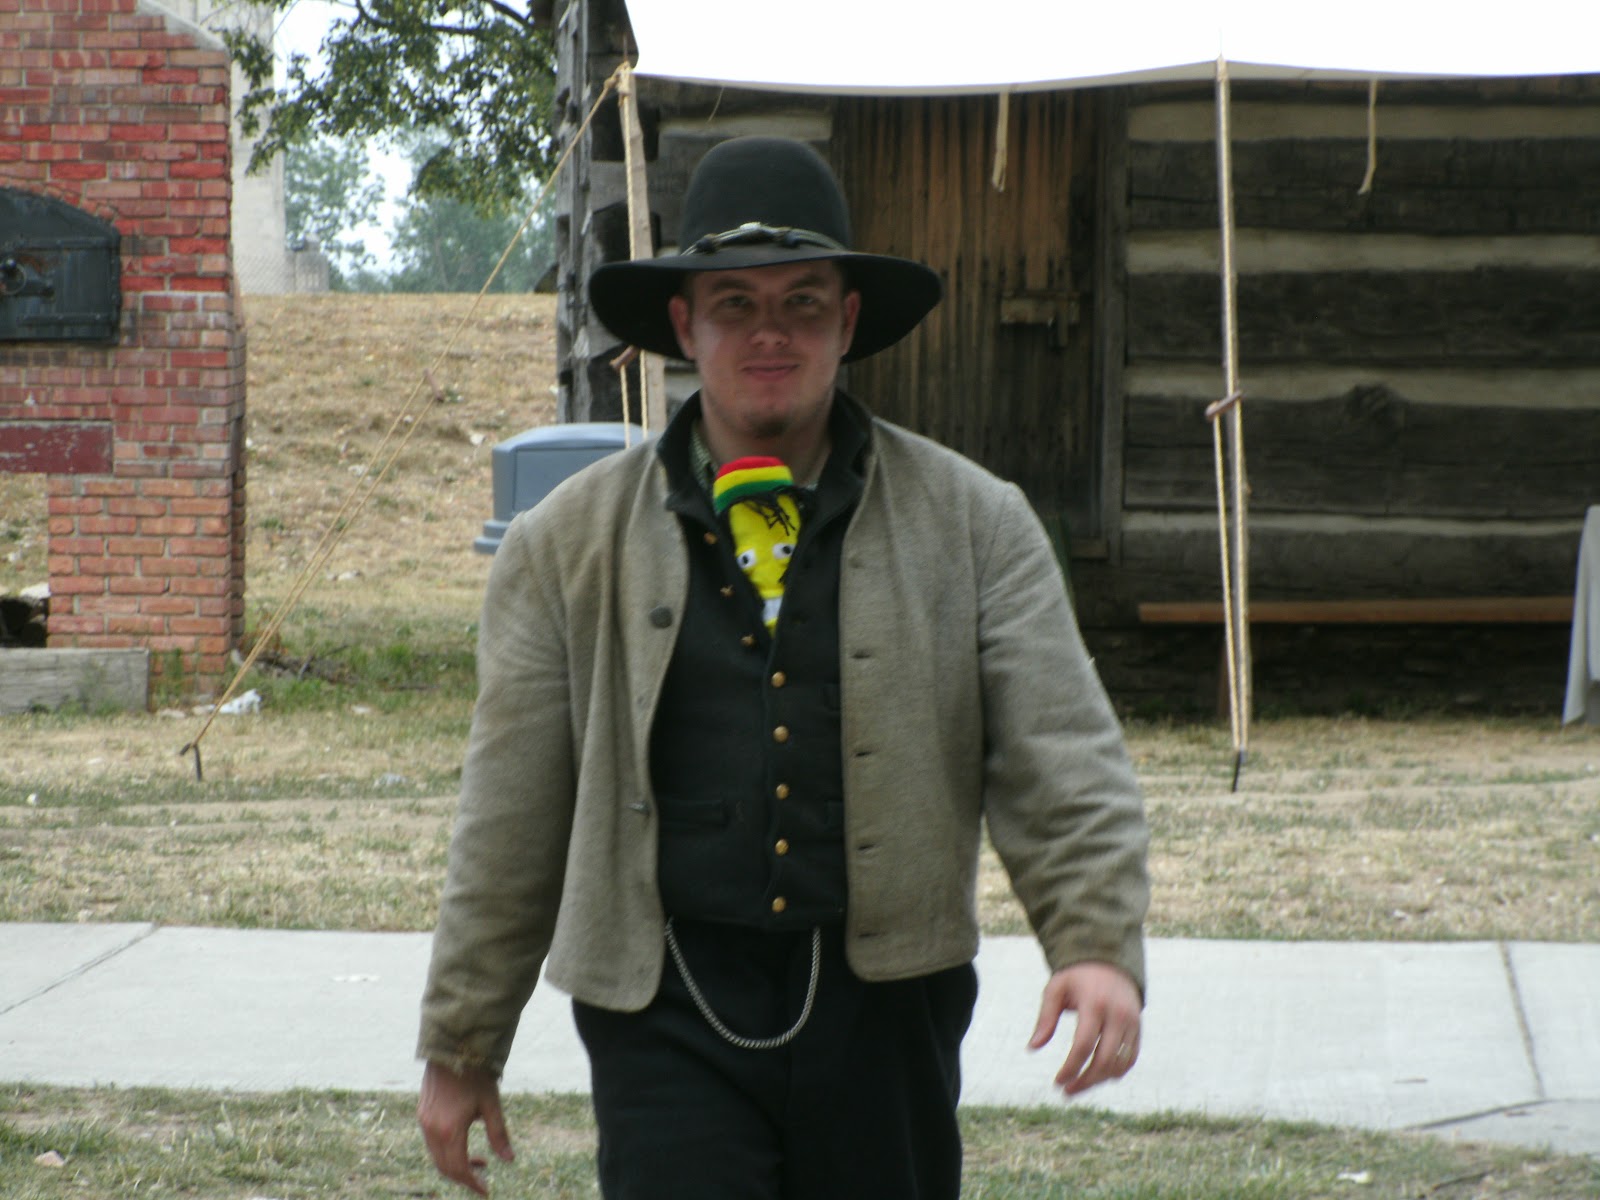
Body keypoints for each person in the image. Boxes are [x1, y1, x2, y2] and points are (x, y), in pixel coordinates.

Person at [417, 135, 1150, 1199]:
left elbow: (1064, 753)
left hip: (888, 1011)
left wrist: (1094, 941)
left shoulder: (976, 523)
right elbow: (508, 812)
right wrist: (463, 1039)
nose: (771, 332)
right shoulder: (561, 544)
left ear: (847, 322)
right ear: (685, 325)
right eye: (736, 304)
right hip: (662, 1014)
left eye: (803, 303)